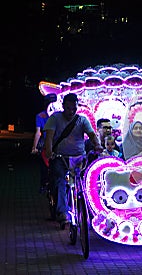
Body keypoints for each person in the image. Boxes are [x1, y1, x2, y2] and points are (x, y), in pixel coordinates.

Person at [44, 93, 103, 224]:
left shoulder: (82, 120)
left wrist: (97, 145)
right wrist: (49, 151)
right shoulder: (55, 118)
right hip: (60, 157)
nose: (71, 111)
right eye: (68, 108)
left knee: (84, 181)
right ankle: (63, 212)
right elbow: (49, 137)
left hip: (78, 158)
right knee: (60, 181)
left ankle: (87, 209)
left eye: (74, 109)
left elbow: (92, 135)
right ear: (63, 106)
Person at [31, 93, 57, 193]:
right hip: (48, 144)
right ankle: (44, 184)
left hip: (53, 144)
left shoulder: (42, 115)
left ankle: (44, 185)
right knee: (44, 165)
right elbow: (38, 132)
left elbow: (38, 132)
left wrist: (34, 147)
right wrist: (34, 147)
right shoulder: (42, 116)